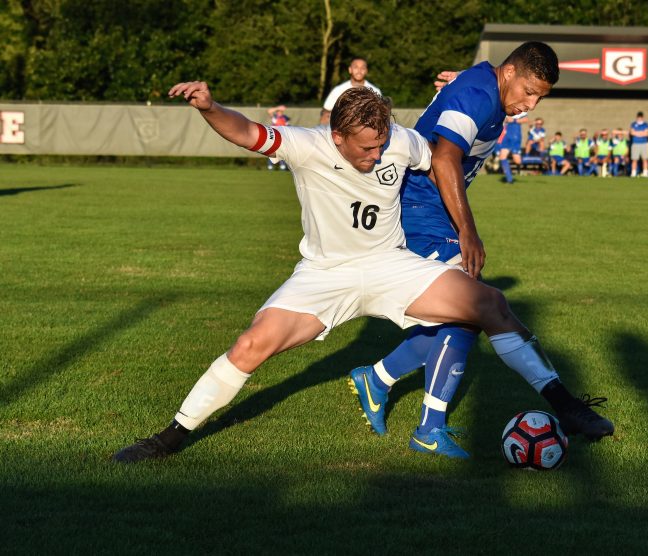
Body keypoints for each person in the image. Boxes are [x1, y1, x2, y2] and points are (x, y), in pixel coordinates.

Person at [113, 83, 613, 464]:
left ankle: (564, 403)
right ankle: (171, 436)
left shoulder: (398, 141)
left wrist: (462, 222)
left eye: (381, 147)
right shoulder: (307, 144)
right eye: (366, 149)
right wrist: (208, 107)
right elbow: (246, 132)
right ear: (337, 135)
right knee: (250, 346)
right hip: (324, 274)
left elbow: (439, 159)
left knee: (489, 304)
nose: (376, 157)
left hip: (390, 264)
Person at [347, 42, 612, 459]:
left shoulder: (485, 91)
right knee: (482, 308)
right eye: (528, 91)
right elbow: (445, 159)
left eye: (540, 96)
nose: (530, 103)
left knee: (465, 318)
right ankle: (432, 427)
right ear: (508, 73)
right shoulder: (478, 93)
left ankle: (377, 380)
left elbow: (471, 98)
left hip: (435, 213)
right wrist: (468, 231)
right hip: (419, 214)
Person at [319, 57, 381, 125]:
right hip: (342, 128)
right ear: (350, 69)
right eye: (356, 67)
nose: (359, 71)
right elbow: (325, 112)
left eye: (362, 68)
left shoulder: (375, 91)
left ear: (366, 71)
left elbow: (380, 115)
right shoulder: (338, 90)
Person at [498, 114, 528, 183]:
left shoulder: (520, 109)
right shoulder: (506, 107)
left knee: (517, 161)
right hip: (506, 134)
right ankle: (509, 179)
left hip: (515, 134)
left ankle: (533, 160)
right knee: (502, 157)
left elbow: (526, 119)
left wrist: (514, 120)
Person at [266, 105, 290, 170]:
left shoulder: (285, 118)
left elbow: (288, 127)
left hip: (283, 138)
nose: (280, 112)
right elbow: (269, 111)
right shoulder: (275, 118)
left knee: (282, 152)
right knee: (272, 151)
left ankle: (282, 166)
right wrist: (278, 107)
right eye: (279, 111)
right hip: (275, 137)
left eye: (281, 111)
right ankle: (270, 166)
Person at [629, 111, 648, 178]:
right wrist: (641, 133)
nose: (639, 119)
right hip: (635, 144)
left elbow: (646, 133)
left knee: (645, 159)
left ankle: (645, 172)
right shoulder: (633, 124)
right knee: (634, 159)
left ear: (642, 118)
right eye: (638, 117)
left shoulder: (645, 124)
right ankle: (633, 173)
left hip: (644, 144)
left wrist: (637, 133)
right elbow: (632, 132)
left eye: (640, 117)